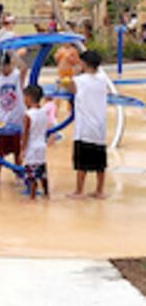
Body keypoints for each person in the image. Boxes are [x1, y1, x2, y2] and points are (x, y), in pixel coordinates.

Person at [67, 51, 108, 200]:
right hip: (100, 128)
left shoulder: (80, 80)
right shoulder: (103, 79)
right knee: (100, 163)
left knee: (82, 163)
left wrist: (75, 73)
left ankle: (79, 191)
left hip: (84, 128)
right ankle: (99, 190)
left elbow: (70, 88)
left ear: (84, 64)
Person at [0, 52, 28, 185]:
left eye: (5, 66)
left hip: (17, 118)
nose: (3, 70)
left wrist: (13, 55)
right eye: (1, 67)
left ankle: (18, 176)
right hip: (2, 120)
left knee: (17, 151)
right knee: (0, 151)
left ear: (9, 64)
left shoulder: (16, 75)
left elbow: (24, 68)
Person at [20, 85, 50, 201]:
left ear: (28, 97)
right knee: (42, 171)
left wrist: (22, 149)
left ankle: (32, 196)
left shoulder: (28, 115)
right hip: (41, 145)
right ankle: (46, 193)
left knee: (31, 173)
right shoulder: (44, 112)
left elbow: (26, 133)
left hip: (31, 147)